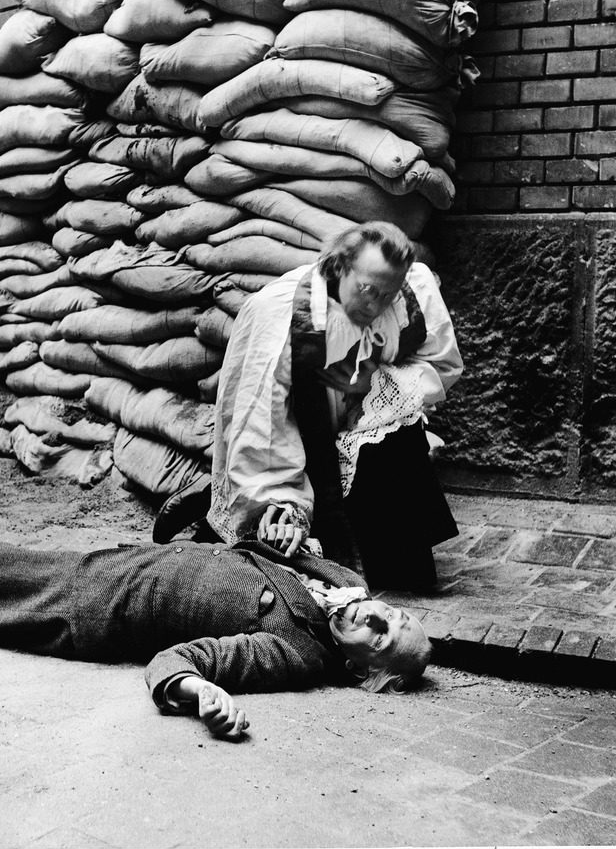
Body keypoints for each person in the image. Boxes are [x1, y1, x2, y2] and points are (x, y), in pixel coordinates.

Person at [0, 507, 433, 740]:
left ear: (361, 671)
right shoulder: (345, 584)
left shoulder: (297, 654)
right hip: (124, 568)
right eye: (392, 614)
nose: (375, 614)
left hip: (104, 607)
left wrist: (201, 692)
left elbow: (181, 661)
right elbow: (276, 550)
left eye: (380, 636)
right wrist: (284, 525)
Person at [159, 221, 463, 591]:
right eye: (368, 290)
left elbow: (442, 366)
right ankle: (212, 504)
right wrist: (278, 499)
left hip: (366, 429)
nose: (377, 305)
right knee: (280, 545)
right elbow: (262, 418)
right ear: (338, 268)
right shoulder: (279, 314)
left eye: (388, 294)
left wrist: (377, 382)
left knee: (409, 577)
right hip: (297, 439)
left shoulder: (410, 294)